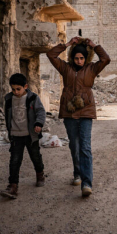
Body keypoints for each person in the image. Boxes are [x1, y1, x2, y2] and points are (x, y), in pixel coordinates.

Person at [46, 37, 110, 197]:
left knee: (85, 147)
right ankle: (77, 173)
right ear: (72, 58)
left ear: (85, 58)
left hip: (86, 111)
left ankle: (87, 183)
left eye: (82, 58)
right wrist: (67, 45)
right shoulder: (65, 68)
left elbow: (106, 59)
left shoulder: (92, 69)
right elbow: (51, 55)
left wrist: (94, 46)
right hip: (69, 112)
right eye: (76, 58)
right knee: (74, 146)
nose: (79, 61)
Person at [0, 73, 47, 199]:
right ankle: (13, 186)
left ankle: (40, 173)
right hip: (16, 135)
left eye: (18, 89)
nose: (15, 92)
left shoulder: (32, 98)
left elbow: (41, 111)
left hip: (31, 135)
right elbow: (8, 116)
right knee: (14, 161)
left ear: (25, 86)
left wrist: (38, 123)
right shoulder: (9, 99)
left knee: (35, 156)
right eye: (13, 89)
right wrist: (9, 131)